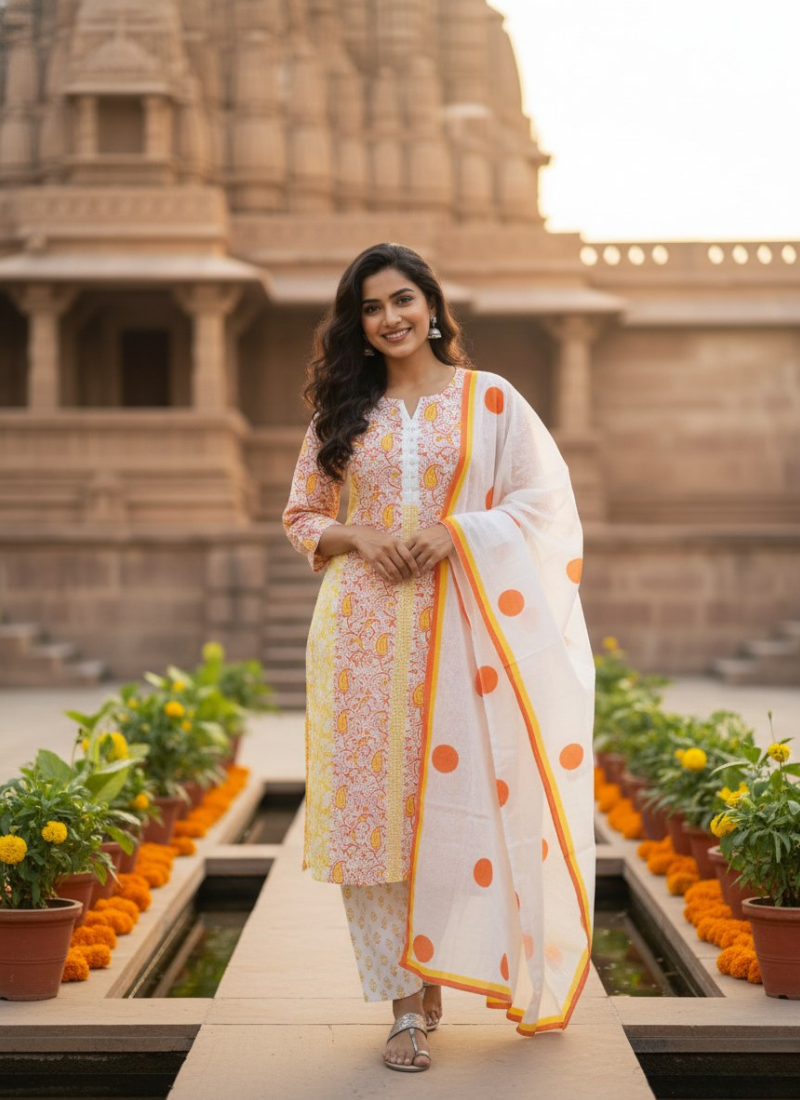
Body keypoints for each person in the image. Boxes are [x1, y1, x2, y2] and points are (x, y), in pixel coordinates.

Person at [283, 242, 596, 1073]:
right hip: (359, 634)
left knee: (455, 802)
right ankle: (402, 1007)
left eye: (402, 300)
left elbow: (543, 500)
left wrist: (454, 529)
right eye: (372, 308)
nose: (390, 319)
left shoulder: (490, 402)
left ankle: (439, 966)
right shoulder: (341, 415)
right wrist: (363, 532)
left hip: (463, 629)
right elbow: (303, 516)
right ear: (359, 324)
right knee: (371, 819)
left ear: (432, 304)